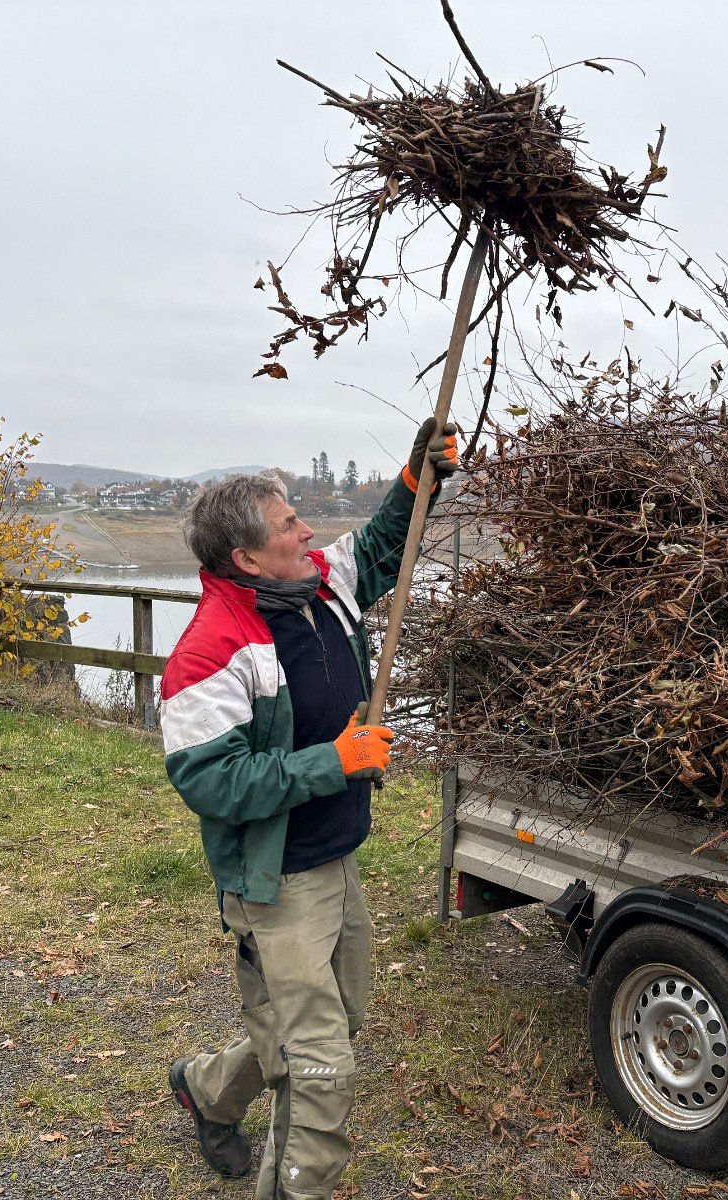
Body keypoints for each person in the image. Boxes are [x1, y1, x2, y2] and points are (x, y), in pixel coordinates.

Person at [160, 419, 458, 1198]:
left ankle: (207, 1088)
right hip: (278, 877)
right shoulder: (209, 650)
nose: (308, 532)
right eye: (290, 524)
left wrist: (418, 480)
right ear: (246, 557)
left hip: (335, 851)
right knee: (319, 1064)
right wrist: (335, 762)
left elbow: (385, 546)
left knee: (336, 1020)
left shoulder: (320, 583)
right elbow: (212, 781)